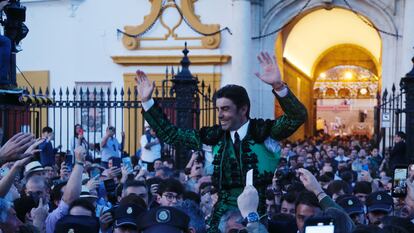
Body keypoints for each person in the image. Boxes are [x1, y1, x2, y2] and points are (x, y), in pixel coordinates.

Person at [136, 52, 307, 232]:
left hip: (255, 219)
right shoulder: (213, 137)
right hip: (221, 222)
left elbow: (297, 116)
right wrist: (147, 102)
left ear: (243, 109)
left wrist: (278, 86)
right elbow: (172, 135)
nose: (219, 115)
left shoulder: (263, 132)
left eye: (225, 109)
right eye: (218, 109)